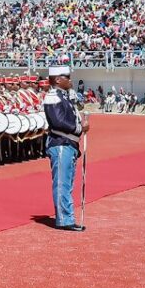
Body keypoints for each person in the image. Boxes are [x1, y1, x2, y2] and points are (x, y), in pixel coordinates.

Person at [41, 64, 85, 231]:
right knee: (61, 183)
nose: (70, 79)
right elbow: (58, 122)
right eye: (67, 77)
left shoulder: (63, 96)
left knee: (67, 183)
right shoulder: (53, 96)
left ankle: (66, 217)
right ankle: (65, 219)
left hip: (68, 143)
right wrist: (80, 128)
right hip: (61, 142)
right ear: (58, 80)